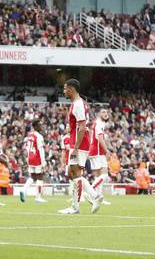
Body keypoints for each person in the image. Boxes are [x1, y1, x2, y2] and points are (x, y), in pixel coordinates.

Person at [58, 79, 103, 214]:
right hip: (77, 141)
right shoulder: (77, 104)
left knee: (75, 173)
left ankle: (76, 207)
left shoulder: (77, 104)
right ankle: (94, 196)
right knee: (73, 173)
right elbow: (80, 124)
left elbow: (83, 127)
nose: (64, 91)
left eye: (65, 89)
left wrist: (76, 147)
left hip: (79, 143)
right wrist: (70, 128)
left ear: (72, 89)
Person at [88, 108, 112, 205]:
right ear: (99, 114)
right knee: (104, 174)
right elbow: (100, 138)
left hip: (95, 151)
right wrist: (107, 151)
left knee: (98, 176)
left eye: (106, 112)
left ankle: (98, 197)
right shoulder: (99, 123)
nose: (105, 113)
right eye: (103, 112)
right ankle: (90, 192)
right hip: (98, 151)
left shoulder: (98, 123)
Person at [21, 120, 48, 203]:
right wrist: (44, 163)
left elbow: (27, 148)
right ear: (35, 126)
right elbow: (41, 150)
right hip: (37, 159)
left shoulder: (30, 136)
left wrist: (28, 159)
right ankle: (38, 197)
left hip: (30, 159)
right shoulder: (39, 136)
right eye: (39, 125)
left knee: (33, 177)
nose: (41, 127)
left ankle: (23, 190)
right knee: (40, 177)